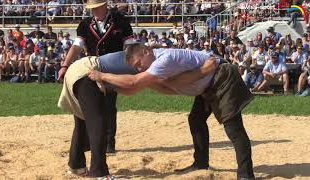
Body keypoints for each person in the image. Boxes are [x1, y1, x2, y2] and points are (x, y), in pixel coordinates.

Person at [89, 44, 255, 179]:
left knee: (233, 128)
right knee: (196, 120)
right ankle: (201, 162)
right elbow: (144, 87)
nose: (139, 69)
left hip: (221, 77)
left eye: (139, 64)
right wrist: (111, 87)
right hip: (207, 84)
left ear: (146, 51)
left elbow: (133, 82)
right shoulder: (156, 65)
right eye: (136, 67)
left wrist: (102, 76)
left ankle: (246, 175)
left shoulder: (164, 60)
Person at [57, 0, 134, 174]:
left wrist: (131, 68)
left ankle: (106, 144)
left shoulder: (121, 22)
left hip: (111, 72)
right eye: (92, 8)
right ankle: (94, 166)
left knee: (107, 109)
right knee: (92, 117)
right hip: (89, 71)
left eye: (97, 7)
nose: (95, 11)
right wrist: (65, 65)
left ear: (106, 5)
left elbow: (129, 48)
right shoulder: (85, 25)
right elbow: (77, 46)